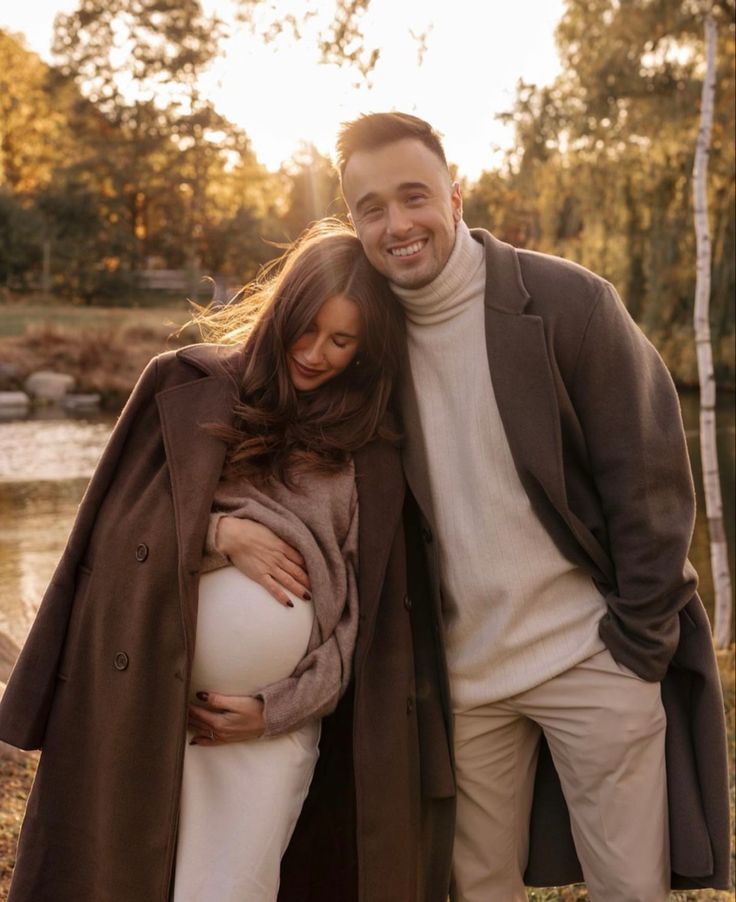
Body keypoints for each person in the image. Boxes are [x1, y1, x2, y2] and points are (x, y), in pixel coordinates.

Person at [241, 113, 730, 902]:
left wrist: (637, 646)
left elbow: (650, 480)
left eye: (413, 196)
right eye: (371, 208)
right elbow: (273, 415)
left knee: (630, 889)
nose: (397, 225)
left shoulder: (569, 303)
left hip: (592, 656)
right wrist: (224, 528)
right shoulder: (370, 339)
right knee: (475, 890)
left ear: (455, 195)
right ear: (353, 222)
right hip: (463, 677)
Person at [0, 220, 413, 902]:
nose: (316, 354)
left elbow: (357, 624)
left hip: (267, 733)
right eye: (306, 330)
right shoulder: (185, 386)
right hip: (147, 707)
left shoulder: (365, 445)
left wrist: (276, 707)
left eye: (342, 341)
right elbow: (108, 539)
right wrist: (219, 536)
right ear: (280, 313)